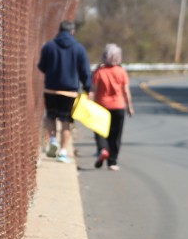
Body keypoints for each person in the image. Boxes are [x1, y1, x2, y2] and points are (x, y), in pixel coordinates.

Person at [37, 20, 91, 164]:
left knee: (50, 117)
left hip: (51, 89)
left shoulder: (49, 46)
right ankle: (62, 152)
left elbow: (42, 66)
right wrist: (87, 88)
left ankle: (53, 139)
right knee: (66, 122)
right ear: (73, 31)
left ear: (59, 30)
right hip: (70, 92)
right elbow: (85, 71)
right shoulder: (79, 48)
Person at [91, 43, 133, 171]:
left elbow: (93, 90)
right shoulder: (122, 72)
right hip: (118, 107)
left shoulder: (99, 72)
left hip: (101, 106)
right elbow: (126, 91)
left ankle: (103, 149)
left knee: (100, 131)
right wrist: (129, 106)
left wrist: (88, 103)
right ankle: (112, 162)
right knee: (115, 135)